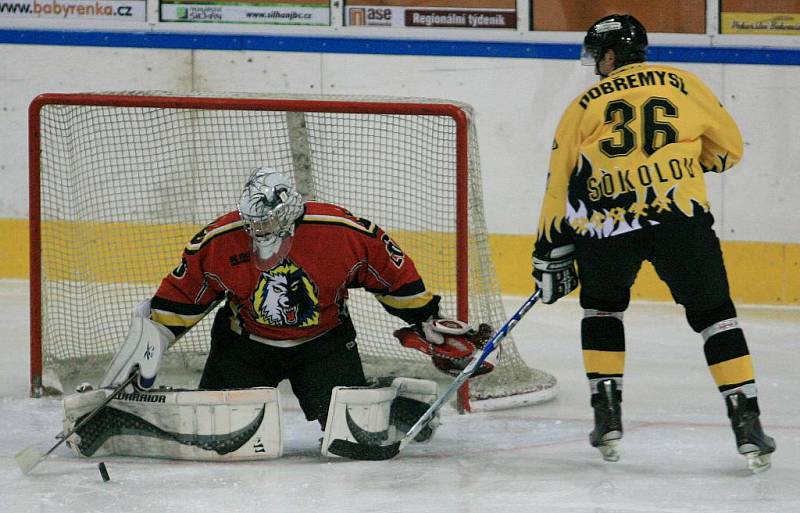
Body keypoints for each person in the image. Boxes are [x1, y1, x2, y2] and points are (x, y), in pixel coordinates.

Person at [531, 14, 775, 472]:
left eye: (596, 56)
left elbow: (558, 183)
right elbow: (728, 151)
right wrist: (680, 166)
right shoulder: (685, 84)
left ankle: (607, 418)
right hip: (679, 219)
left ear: (608, 55)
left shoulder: (582, 104)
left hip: (606, 228)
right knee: (716, 318)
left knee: (602, 310)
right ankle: (747, 424)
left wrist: (548, 250)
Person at [100, 166, 488, 435]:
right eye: (253, 222)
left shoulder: (342, 233)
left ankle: (394, 397)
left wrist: (426, 318)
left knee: (353, 437)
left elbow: (391, 274)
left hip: (324, 345)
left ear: (289, 212)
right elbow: (182, 298)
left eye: (266, 223)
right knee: (216, 430)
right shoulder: (220, 241)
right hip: (244, 347)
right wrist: (149, 342)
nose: (257, 230)